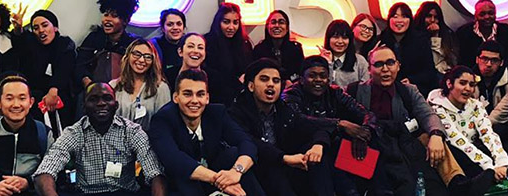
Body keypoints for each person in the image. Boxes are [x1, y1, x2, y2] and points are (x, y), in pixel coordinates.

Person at [345, 46, 495, 196]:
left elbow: (428, 115)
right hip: (370, 144)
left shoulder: (408, 90)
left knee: (432, 138)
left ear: (398, 66)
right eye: (378, 64)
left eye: (390, 63)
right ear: (369, 69)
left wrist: (436, 134)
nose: (385, 69)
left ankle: (458, 183)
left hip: (403, 141)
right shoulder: (354, 91)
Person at [34, 83, 165, 196]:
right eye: (93, 99)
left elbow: (155, 173)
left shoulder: (132, 131)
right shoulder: (74, 133)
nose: (101, 103)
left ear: (116, 105)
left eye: (107, 98)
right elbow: (45, 172)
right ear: (84, 106)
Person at [149, 69, 264, 196]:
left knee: (233, 154)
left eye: (200, 94)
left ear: (207, 98)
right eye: (187, 94)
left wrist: (236, 172)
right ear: (176, 97)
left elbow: (246, 143)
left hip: (215, 173)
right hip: (185, 182)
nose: (194, 100)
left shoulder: (217, 113)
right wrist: (219, 180)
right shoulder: (163, 119)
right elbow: (173, 159)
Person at [228, 58, 332, 196]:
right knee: (272, 168)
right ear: (251, 86)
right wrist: (284, 158)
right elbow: (251, 142)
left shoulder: (284, 109)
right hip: (255, 171)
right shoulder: (236, 112)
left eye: (276, 81)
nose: (271, 85)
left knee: (316, 156)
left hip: (284, 169)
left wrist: (318, 145)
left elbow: (313, 126)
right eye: (264, 79)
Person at [281, 55, 379, 195]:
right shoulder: (290, 94)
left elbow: (368, 115)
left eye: (323, 76)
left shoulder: (334, 92)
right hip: (299, 152)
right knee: (323, 154)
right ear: (301, 80)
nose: (318, 80)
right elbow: (297, 120)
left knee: (372, 141)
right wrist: (339, 124)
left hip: (330, 148)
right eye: (312, 76)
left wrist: (363, 133)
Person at [427, 66, 508, 185]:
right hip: (456, 153)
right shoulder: (437, 108)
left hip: (475, 149)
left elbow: (488, 133)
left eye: (471, 85)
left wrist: (501, 163)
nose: (468, 89)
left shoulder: (476, 105)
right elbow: (457, 139)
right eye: (462, 83)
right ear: (449, 84)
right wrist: (489, 167)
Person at [12, 9, 77, 133]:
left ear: (55, 28)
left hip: (60, 95)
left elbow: (64, 69)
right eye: (36, 28)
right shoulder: (32, 46)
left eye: (45, 25)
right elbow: (20, 42)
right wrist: (18, 28)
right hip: (35, 98)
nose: (41, 30)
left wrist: (54, 89)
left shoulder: (65, 44)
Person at [77, 0, 140, 87]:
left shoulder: (133, 44)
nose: (107, 20)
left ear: (125, 20)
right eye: (106, 15)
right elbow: (80, 65)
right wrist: (88, 84)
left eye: (114, 16)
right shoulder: (93, 38)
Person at [109, 39, 171, 131]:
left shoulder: (161, 88)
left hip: (148, 142)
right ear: (128, 56)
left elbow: (164, 125)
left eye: (147, 57)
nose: (142, 60)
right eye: (137, 54)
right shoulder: (113, 86)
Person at [378, 2, 440, 95]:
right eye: (395, 16)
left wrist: (411, 80)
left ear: (410, 20)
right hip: (385, 90)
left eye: (404, 16)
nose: (399, 20)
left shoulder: (420, 41)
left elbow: (430, 72)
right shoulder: (380, 40)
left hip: (414, 91)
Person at [204, 3, 253, 106]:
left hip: (242, 100)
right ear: (218, 22)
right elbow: (210, 74)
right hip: (217, 100)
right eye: (226, 22)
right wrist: (235, 82)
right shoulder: (208, 42)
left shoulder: (245, 43)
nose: (231, 27)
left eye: (235, 22)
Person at [456, 0, 508, 68]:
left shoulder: (505, 31)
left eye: (490, 13)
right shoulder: (464, 33)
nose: (487, 17)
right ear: (475, 15)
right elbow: (463, 61)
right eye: (482, 14)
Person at [473, 41, 508, 126]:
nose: (489, 64)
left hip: (504, 127)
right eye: (485, 59)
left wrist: (482, 127)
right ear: (477, 59)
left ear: (501, 62)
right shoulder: (468, 78)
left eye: (494, 60)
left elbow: (501, 112)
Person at [252, 10, 304, 84]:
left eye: (281, 22)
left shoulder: (296, 49)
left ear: (287, 28)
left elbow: (301, 73)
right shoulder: (259, 50)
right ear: (267, 27)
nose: (277, 26)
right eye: (273, 22)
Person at [316, 19, 369, 89]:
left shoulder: (360, 61)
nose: (340, 41)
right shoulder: (318, 62)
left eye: (344, 38)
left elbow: (365, 88)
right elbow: (321, 88)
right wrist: (329, 64)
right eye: (335, 37)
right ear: (328, 38)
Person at [414, 1, 459, 75]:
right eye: (429, 16)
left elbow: (452, 61)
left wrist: (436, 35)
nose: (432, 20)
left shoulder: (448, 34)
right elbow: (433, 64)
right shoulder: (414, 36)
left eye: (436, 17)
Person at [151, 8, 187, 85]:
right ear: (163, 28)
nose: (175, 28)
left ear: (183, 27)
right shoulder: (154, 46)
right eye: (170, 24)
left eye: (179, 24)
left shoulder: (189, 44)